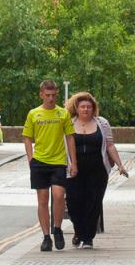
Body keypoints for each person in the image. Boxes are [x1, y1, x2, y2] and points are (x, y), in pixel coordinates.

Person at [65, 91, 128, 248]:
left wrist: (120, 165)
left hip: (97, 169)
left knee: (93, 202)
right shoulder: (69, 123)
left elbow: (110, 145)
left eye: (89, 107)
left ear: (93, 108)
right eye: (82, 107)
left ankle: (88, 238)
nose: (86, 109)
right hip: (74, 169)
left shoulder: (102, 123)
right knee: (73, 203)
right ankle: (79, 231)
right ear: (77, 108)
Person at [22, 79, 77, 252]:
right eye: (47, 95)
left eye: (53, 95)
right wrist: (30, 159)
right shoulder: (33, 114)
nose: (51, 99)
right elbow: (27, 137)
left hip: (58, 161)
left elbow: (70, 137)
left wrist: (73, 162)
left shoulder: (63, 114)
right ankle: (46, 237)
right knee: (43, 199)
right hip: (39, 161)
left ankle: (58, 228)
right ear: (41, 95)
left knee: (59, 195)